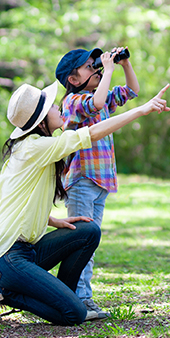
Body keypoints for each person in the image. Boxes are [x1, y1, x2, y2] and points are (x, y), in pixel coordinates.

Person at [0, 80, 169, 325]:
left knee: (87, 231)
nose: (59, 108)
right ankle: (0, 293)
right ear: (41, 120)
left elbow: (15, 200)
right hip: (5, 258)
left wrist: (54, 220)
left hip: (26, 251)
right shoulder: (35, 147)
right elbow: (94, 132)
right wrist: (142, 109)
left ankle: (64, 295)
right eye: (53, 107)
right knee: (73, 314)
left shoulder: (34, 149)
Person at [52, 46, 139, 315]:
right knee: (81, 243)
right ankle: (80, 297)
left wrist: (124, 65)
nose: (97, 69)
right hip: (81, 182)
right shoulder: (73, 102)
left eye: (96, 64)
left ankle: (81, 296)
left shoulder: (96, 95)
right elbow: (97, 104)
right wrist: (109, 70)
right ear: (74, 79)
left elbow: (132, 91)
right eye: (90, 67)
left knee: (90, 244)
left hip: (100, 184)